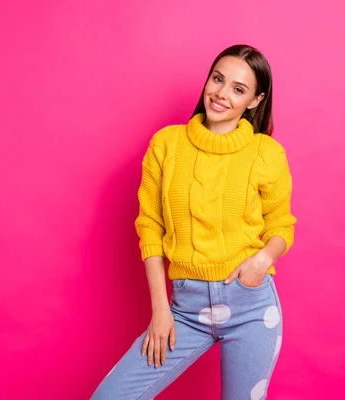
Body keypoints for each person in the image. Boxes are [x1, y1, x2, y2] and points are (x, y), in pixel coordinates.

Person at [90, 44, 296, 400]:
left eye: (238, 88)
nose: (221, 93)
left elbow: (281, 225)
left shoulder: (266, 153)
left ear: (254, 100)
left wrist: (262, 261)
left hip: (251, 306)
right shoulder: (167, 145)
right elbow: (150, 226)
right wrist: (160, 310)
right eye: (218, 79)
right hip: (185, 309)